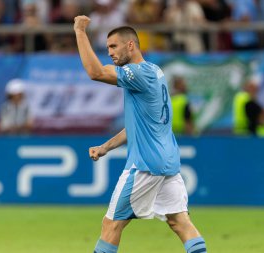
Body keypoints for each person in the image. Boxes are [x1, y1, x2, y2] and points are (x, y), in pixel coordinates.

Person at [74, 15, 207, 253]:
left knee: (111, 224)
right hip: (168, 162)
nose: (110, 52)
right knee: (180, 222)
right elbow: (139, 125)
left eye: (114, 46)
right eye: (107, 48)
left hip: (145, 164)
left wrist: (80, 32)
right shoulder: (154, 71)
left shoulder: (139, 74)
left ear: (131, 45)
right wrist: (106, 147)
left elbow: (96, 73)